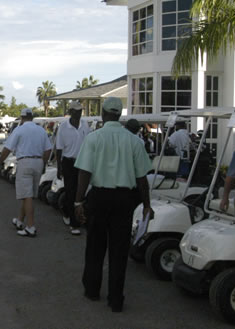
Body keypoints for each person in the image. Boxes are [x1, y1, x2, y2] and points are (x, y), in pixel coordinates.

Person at [73, 97, 153, 312]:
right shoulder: (134, 141)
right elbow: (142, 178)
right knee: (119, 251)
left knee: (95, 247)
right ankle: (116, 299)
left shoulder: (94, 138)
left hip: (99, 197)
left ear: (103, 114)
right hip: (124, 200)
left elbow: (85, 172)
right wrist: (147, 205)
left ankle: (92, 289)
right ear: (119, 114)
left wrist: (78, 201)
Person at [0, 108, 51, 237]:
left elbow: (7, 148)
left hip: (25, 162)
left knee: (27, 196)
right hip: (38, 162)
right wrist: (43, 163)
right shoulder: (41, 130)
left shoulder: (19, 130)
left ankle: (30, 226)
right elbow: (48, 149)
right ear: (32, 117)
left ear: (21, 118)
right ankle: (20, 220)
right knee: (29, 195)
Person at [55, 100, 90, 235]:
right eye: (76, 111)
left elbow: (89, 144)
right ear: (70, 112)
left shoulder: (85, 125)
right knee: (71, 191)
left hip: (82, 162)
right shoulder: (63, 127)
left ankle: (72, 213)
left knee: (80, 192)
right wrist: (59, 168)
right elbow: (59, 149)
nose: (79, 113)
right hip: (68, 163)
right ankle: (74, 224)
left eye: (80, 111)